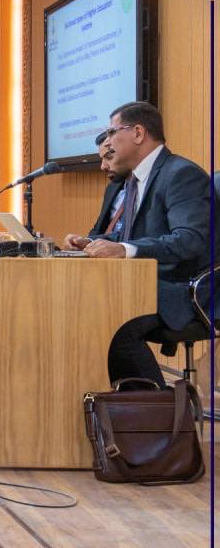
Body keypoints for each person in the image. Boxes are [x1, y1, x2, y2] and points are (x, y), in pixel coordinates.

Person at [66, 102, 211, 387]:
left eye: (112, 132)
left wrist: (124, 249)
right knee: (80, 306)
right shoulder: (135, 180)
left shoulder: (181, 174)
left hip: (178, 288)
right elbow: (135, 237)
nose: (107, 141)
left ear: (138, 133)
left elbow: (189, 240)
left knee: (115, 327)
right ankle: (114, 404)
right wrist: (93, 242)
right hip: (141, 283)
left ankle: (158, 410)